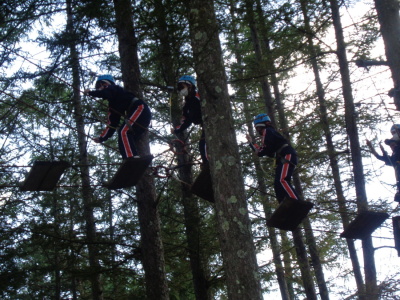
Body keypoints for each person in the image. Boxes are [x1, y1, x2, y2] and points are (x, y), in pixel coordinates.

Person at [84, 75, 151, 160]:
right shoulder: (113, 103)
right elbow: (112, 123)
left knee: (124, 131)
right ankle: (128, 159)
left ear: (104, 84)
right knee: (125, 135)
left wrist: (90, 92)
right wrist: (102, 138)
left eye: (99, 86)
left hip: (139, 109)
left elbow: (105, 92)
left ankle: (131, 158)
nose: (99, 89)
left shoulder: (112, 88)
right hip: (140, 114)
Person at [246, 113, 299, 203]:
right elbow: (268, 151)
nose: (257, 130)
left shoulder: (267, 131)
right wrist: (252, 144)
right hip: (283, 156)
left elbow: (263, 151)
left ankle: (296, 203)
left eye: (257, 128)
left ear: (261, 125)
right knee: (277, 184)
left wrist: (252, 143)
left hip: (287, 155)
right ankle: (284, 204)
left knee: (282, 180)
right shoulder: (270, 133)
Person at [171, 75, 207, 164]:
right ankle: (207, 165)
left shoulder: (198, 96)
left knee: (204, 145)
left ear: (190, 85)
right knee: (202, 145)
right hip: (206, 125)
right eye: (179, 87)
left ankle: (208, 165)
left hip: (212, 123)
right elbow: (187, 120)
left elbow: (189, 119)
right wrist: (177, 130)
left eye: (182, 86)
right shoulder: (187, 104)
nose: (180, 89)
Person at [366, 137, 400, 202]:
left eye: (393, 145)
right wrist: (370, 146)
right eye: (391, 146)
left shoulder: (397, 150)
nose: (392, 147)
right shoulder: (393, 159)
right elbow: (378, 156)